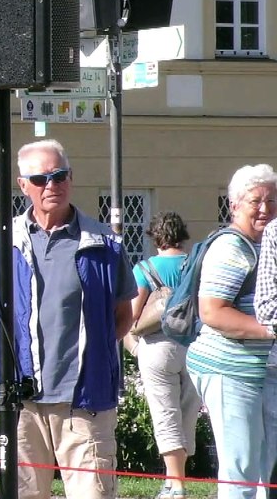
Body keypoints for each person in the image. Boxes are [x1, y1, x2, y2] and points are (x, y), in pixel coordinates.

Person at [0, 139, 136, 499]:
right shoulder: (3, 242)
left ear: (71, 177)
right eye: (40, 178)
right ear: (23, 186)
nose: (52, 185)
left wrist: (95, 356)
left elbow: (123, 316)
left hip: (84, 401)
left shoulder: (103, 243)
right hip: (22, 400)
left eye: (59, 175)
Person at [188, 164, 277, 499]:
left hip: (257, 372)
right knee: (240, 470)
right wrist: (271, 330)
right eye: (256, 201)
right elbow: (212, 311)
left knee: (260, 470)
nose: (266, 209)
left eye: (272, 200)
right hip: (229, 369)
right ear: (235, 205)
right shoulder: (232, 248)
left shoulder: (262, 246)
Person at [126, 212, 200, 499]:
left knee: (165, 413)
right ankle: (176, 480)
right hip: (195, 346)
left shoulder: (145, 268)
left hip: (158, 347)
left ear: (154, 237)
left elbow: (132, 316)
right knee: (188, 413)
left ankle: (176, 485)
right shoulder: (197, 265)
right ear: (183, 235)